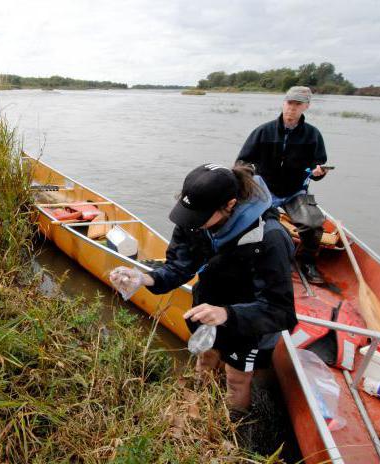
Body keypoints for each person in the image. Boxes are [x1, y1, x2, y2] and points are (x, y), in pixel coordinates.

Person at [110, 163, 297, 412]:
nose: (192, 224)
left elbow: (280, 310)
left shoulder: (269, 238)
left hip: (249, 323)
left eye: (199, 218)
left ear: (229, 205)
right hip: (206, 306)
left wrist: (227, 314)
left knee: (236, 379)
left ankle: (230, 429)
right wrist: (144, 279)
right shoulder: (195, 218)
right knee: (205, 359)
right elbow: (179, 266)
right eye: (190, 216)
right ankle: (198, 406)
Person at [237, 86, 328, 283]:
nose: (292, 108)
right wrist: (250, 178)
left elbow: (318, 166)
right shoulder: (263, 131)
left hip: (296, 191)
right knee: (251, 221)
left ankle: (307, 262)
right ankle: (252, 258)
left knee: (313, 223)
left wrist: (318, 172)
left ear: (306, 106)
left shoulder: (313, 135)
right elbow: (242, 162)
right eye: (289, 103)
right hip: (263, 189)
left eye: (298, 104)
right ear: (283, 103)